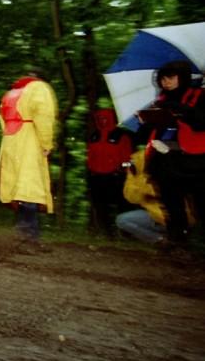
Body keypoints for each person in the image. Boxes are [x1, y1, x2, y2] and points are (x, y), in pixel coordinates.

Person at [137, 60, 205, 249]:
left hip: (196, 160)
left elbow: (201, 123)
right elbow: (145, 134)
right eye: (163, 79)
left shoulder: (199, 95)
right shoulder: (160, 100)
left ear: (182, 78)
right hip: (166, 160)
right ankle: (177, 241)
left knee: (201, 203)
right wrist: (149, 118)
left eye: (171, 78)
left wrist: (182, 110)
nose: (166, 82)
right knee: (171, 201)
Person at [0, 68, 58, 245]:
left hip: (10, 141)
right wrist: (46, 144)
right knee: (30, 189)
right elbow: (44, 118)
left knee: (19, 189)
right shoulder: (39, 88)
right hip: (29, 140)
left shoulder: (11, 92)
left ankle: (22, 233)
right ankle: (29, 237)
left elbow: (2, 120)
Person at [86, 108, 133, 237]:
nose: (102, 120)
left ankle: (126, 234)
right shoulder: (94, 136)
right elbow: (90, 156)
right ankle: (107, 233)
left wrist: (124, 170)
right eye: (100, 118)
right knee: (100, 206)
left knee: (121, 206)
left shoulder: (121, 136)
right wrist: (90, 170)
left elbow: (129, 159)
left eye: (105, 118)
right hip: (96, 177)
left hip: (115, 177)